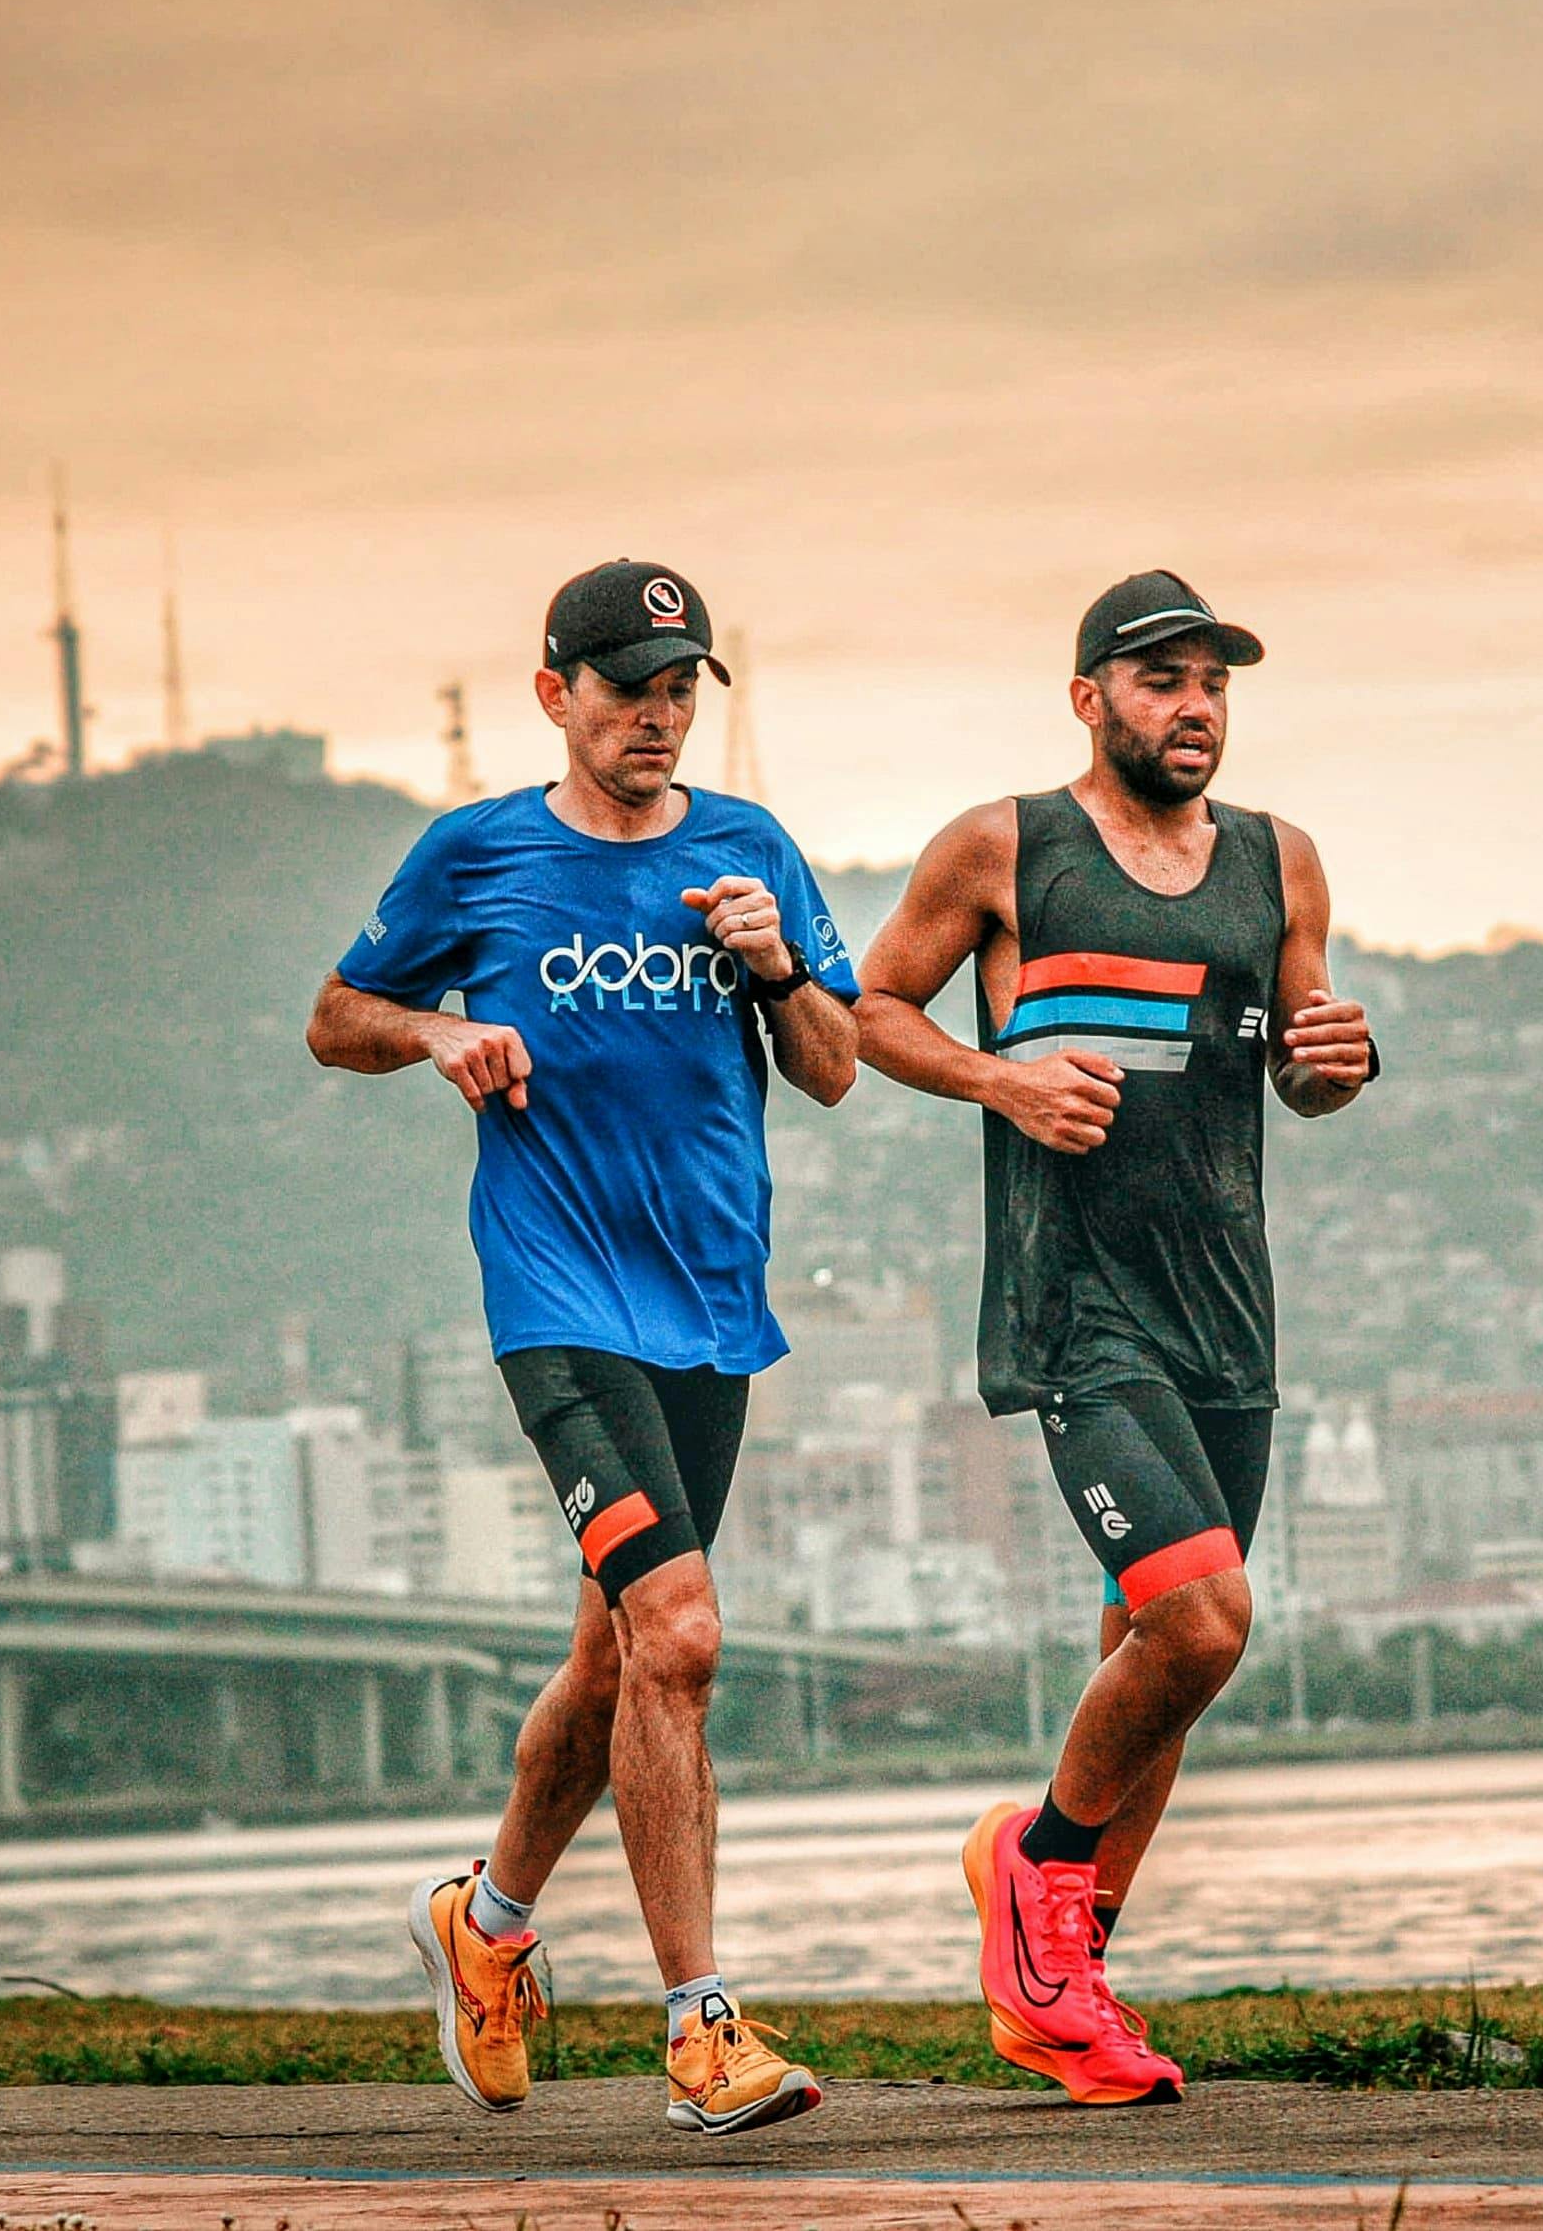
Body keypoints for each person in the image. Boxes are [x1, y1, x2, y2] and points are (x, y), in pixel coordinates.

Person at [307, 559, 858, 2137]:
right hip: (557, 1304)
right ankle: (700, 2033)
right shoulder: (475, 854)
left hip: (710, 1309)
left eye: (681, 692)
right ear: (556, 696)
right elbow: (337, 1012)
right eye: (628, 692)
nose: (658, 720)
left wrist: (771, 966)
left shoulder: (751, 852)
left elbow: (827, 1068)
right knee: (679, 1635)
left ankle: (482, 1928)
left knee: (611, 1655)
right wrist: (436, 1032)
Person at [852, 569, 1375, 2105]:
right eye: (1160, 679)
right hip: (1076, 1308)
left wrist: (1334, 1064)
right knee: (1205, 1621)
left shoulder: (1281, 863)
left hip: (1227, 1311)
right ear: (1088, 699)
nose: (1193, 704)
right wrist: (1000, 1081)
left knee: (1153, 1658)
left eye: (1212, 679)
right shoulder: (1007, 845)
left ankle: (1063, 1989)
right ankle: (1037, 1870)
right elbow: (873, 1008)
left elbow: (1294, 1059)